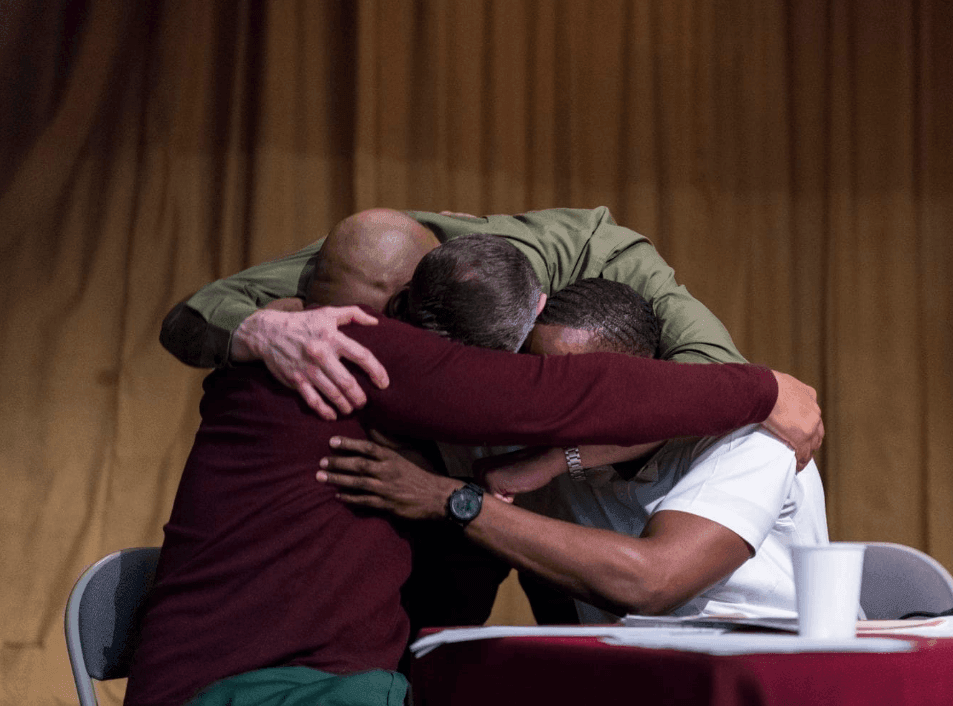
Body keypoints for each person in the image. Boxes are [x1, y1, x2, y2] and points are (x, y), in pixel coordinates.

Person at [127, 222, 814, 706]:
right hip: (264, 685)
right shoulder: (370, 352)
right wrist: (764, 388)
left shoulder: (318, 347)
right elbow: (568, 397)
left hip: (289, 675)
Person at [319, 279, 829, 622]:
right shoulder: (531, 452)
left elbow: (652, 582)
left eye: (584, 386)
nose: (557, 402)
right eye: (541, 380)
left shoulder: (754, 439)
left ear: (647, 379)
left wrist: (453, 500)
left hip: (767, 678)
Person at [159, 206, 821, 468]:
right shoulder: (386, 253)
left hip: (591, 492)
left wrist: (555, 461)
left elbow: (713, 385)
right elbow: (195, 314)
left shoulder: (607, 255)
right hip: (434, 487)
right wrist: (263, 326)